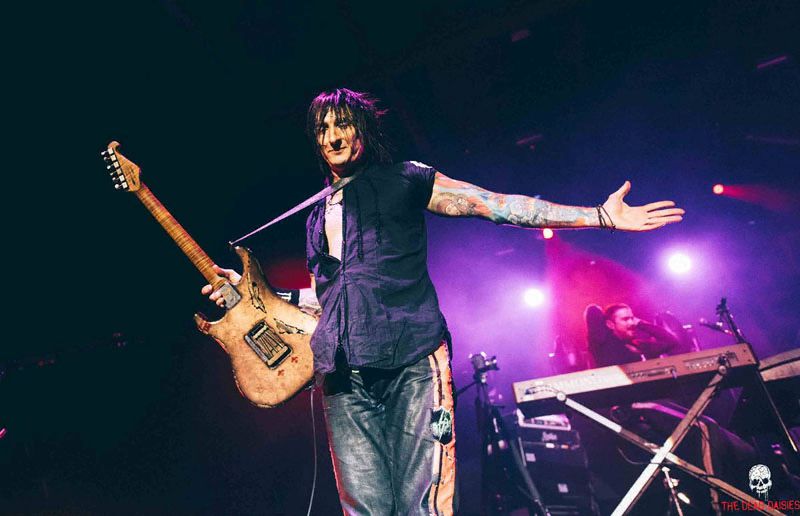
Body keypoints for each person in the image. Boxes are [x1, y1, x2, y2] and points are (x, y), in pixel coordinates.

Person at [202, 88, 684, 515]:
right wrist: (252, 296)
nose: (332, 136)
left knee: (424, 505)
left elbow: (496, 205)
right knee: (364, 509)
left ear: (362, 129)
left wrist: (598, 216)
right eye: (322, 129)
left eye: (342, 124)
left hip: (411, 359)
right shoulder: (314, 217)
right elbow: (327, 298)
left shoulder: (406, 179)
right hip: (343, 375)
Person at [586, 303, 681, 368]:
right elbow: (593, 311)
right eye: (625, 319)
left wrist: (640, 323)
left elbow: (672, 342)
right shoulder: (603, 347)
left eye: (632, 318)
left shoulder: (640, 345)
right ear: (610, 324)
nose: (631, 323)